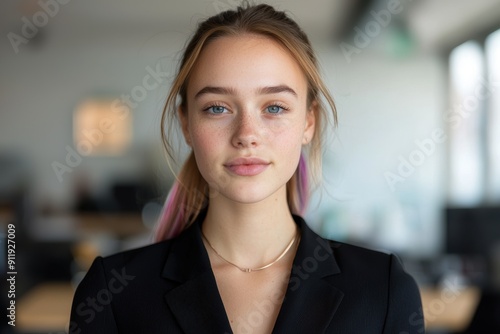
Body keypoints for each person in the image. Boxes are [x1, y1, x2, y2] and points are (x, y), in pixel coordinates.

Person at [69, 3, 423, 333]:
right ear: (186, 124)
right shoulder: (112, 294)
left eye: (274, 107)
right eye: (217, 108)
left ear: (308, 122)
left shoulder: (384, 290)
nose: (247, 136)